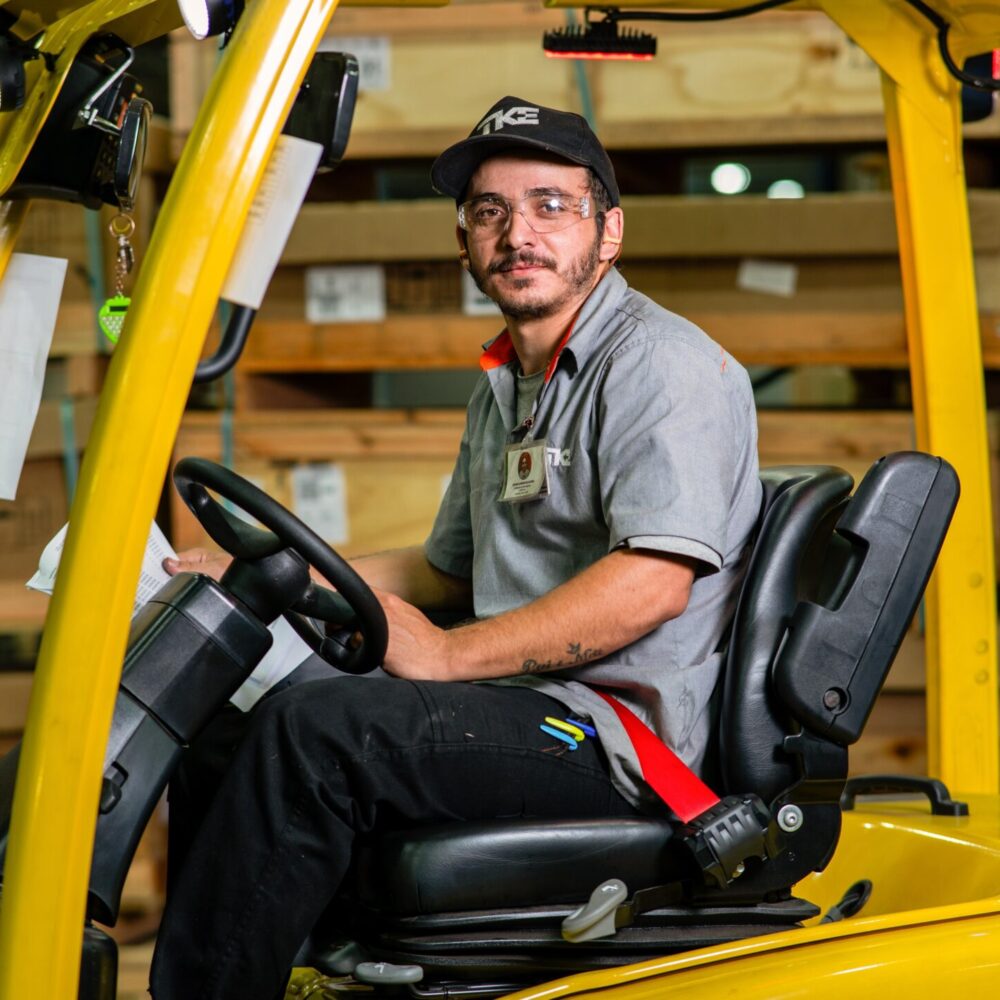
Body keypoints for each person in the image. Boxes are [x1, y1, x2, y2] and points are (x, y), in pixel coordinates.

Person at [149, 95, 761, 1000]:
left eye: (551, 205)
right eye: (490, 211)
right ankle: (304, 971)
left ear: (609, 231)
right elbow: (447, 568)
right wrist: (280, 573)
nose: (519, 233)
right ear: (465, 241)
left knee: (320, 731)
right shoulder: (509, 381)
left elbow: (652, 583)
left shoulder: (659, 365)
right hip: (519, 704)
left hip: (612, 737)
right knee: (225, 716)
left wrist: (444, 654)